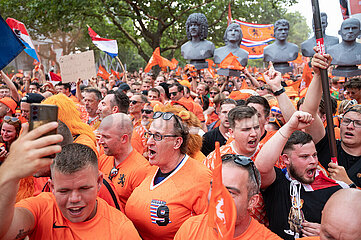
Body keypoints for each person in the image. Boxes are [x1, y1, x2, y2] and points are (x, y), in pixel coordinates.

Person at [0, 124, 141, 239]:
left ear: (99, 182)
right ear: (52, 187)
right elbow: (4, 232)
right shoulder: (42, 207)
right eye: (64, 191)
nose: (74, 199)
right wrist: (9, 174)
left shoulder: (122, 231)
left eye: (84, 188)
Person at [255, 111, 344, 240]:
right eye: (304, 157)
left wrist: (328, 233)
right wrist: (289, 126)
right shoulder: (277, 182)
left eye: (314, 155)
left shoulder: (333, 189)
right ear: (286, 159)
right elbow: (261, 167)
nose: (313, 161)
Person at [125, 111, 211, 240]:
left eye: (158, 136)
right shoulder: (151, 169)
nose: (149, 142)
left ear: (177, 142)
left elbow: (212, 229)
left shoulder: (202, 178)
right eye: (149, 134)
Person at [174, 154, 281, 240]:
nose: (218, 198)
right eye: (214, 187)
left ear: (252, 201)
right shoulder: (190, 228)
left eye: (230, 192)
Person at [300, 50, 361, 188]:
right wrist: (317, 75)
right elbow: (309, 112)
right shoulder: (329, 145)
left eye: (358, 123)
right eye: (346, 121)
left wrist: (348, 183)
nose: (350, 126)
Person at [98, 113, 153, 209]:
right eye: (100, 136)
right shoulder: (103, 159)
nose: (100, 141)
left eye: (106, 137)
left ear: (124, 138)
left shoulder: (142, 170)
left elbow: (139, 212)